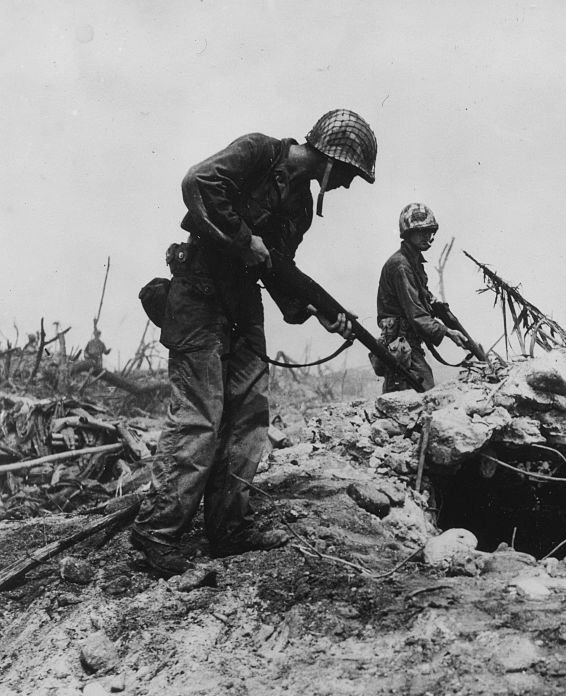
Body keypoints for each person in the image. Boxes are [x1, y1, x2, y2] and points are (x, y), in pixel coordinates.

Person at [129, 109, 376, 576]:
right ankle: (157, 532)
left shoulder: (301, 207)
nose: (345, 185)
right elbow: (198, 183)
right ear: (328, 157)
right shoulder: (260, 152)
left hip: (243, 306)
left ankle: (229, 528)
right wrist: (245, 239)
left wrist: (319, 312)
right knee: (200, 418)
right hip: (199, 294)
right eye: (346, 173)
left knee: (248, 416)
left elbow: (280, 272)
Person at [375, 203, 467, 393]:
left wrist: (437, 306)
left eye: (430, 231)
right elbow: (416, 314)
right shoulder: (401, 265)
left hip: (407, 342)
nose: (429, 237)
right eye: (422, 231)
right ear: (408, 234)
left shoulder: (412, 261)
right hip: (400, 342)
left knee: (411, 393)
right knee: (419, 391)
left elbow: (422, 297)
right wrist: (448, 332)